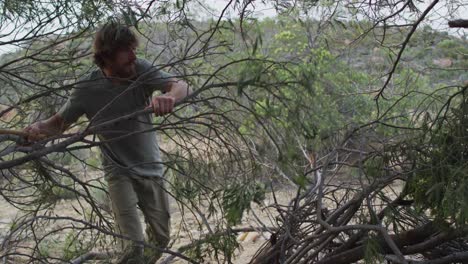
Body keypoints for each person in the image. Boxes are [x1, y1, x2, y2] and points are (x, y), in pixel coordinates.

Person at [24, 20, 191, 263]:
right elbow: (59, 123)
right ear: (107, 55)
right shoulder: (87, 89)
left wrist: (169, 96)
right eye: (127, 50)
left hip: (150, 167)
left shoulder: (141, 69)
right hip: (118, 172)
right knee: (133, 246)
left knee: (161, 241)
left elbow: (181, 86)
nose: (134, 56)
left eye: (134, 49)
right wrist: (38, 129)